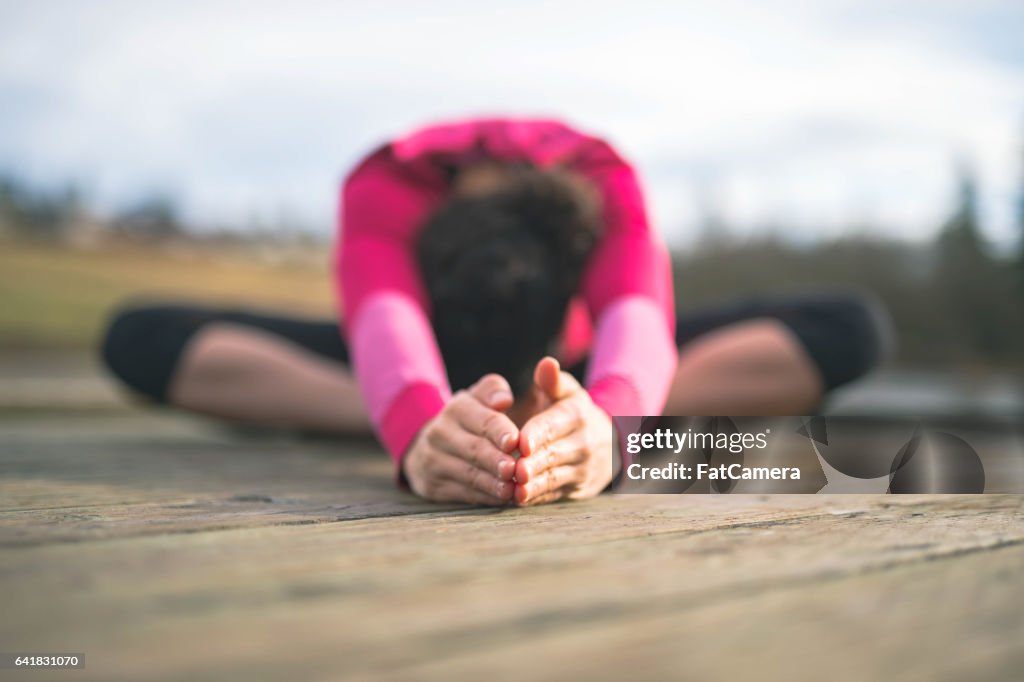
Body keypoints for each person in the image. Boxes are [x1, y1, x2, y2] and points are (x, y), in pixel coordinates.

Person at [100, 117, 890, 507]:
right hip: (424, 362)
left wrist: (608, 423)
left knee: (848, 327)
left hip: (570, 357)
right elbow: (383, 323)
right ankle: (466, 422)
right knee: (140, 336)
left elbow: (638, 318)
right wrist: (413, 425)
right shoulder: (385, 188)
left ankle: (545, 419)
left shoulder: (604, 179)